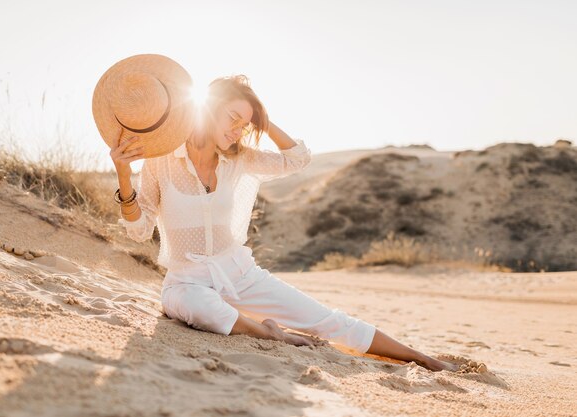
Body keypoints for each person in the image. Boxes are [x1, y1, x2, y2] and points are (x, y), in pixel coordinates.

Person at [111, 75, 457, 372]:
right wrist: (124, 175)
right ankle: (270, 333)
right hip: (186, 283)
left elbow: (297, 159)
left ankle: (419, 357)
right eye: (232, 118)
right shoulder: (161, 162)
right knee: (202, 308)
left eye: (244, 125)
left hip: (241, 275)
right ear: (205, 109)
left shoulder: (239, 158)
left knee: (327, 321)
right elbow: (140, 229)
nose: (237, 131)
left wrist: (263, 122)